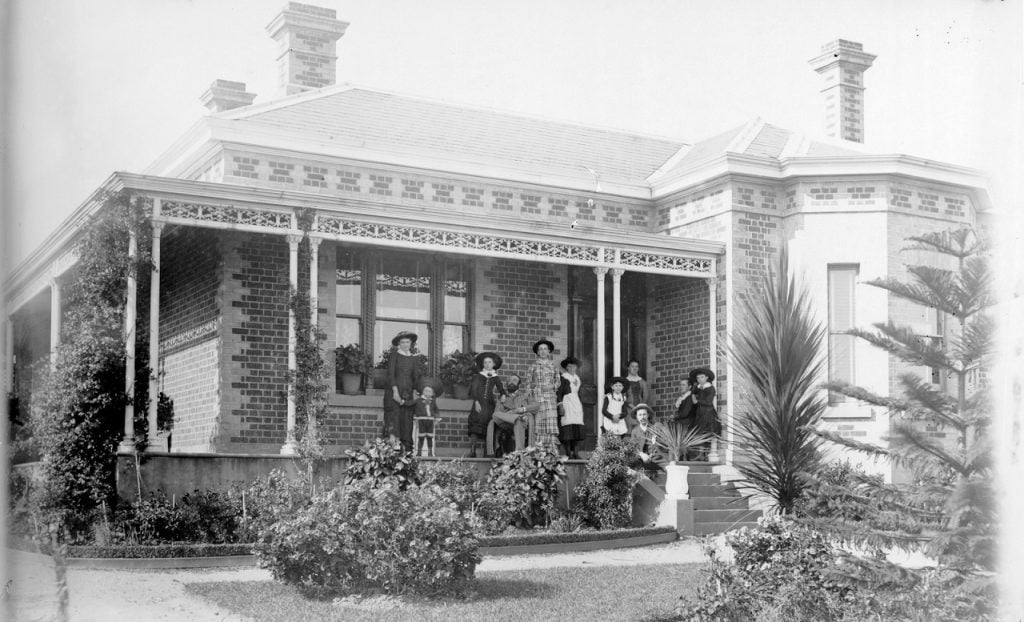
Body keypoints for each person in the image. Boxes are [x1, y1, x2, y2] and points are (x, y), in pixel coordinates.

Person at [384, 330, 422, 451]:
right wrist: (395, 391)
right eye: (402, 342)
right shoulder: (394, 356)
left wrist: (415, 392)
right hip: (394, 393)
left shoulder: (414, 359)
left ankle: (406, 452)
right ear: (399, 344)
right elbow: (391, 374)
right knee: (394, 421)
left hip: (408, 395)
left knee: (407, 422)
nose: (405, 344)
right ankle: (392, 451)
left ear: (411, 343)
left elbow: (416, 377)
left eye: (407, 342)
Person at [467, 351, 506, 457]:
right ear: (483, 365)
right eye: (485, 362)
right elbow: (473, 390)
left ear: (493, 364)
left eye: (489, 362)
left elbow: (501, 389)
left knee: (488, 426)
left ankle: (486, 451)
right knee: (475, 425)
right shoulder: (478, 376)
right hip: (479, 403)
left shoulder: (495, 377)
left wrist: (503, 395)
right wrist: (476, 402)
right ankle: (472, 450)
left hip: (489, 404)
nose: (487, 364)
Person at [526, 339, 561, 454]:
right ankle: (539, 450)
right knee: (540, 424)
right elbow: (528, 382)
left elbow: (558, 381)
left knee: (550, 422)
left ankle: (551, 450)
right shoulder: (533, 366)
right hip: (538, 397)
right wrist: (533, 391)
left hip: (550, 398)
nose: (543, 351)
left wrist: (551, 387)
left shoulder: (553, 366)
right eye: (540, 349)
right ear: (537, 352)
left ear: (549, 351)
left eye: (545, 349)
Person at [493, 373, 538, 454]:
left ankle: (519, 452)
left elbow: (536, 406)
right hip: (507, 423)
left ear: (519, 384)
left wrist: (522, 409)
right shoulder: (503, 397)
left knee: (519, 422)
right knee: (495, 415)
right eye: (509, 380)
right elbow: (497, 413)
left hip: (522, 422)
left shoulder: (525, 396)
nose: (511, 382)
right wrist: (513, 413)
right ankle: (517, 417)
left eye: (514, 380)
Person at [556, 356, 585, 459]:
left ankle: (576, 452)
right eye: (570, 366)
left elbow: (578, 391)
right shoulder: (563, 377)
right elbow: (559, 393)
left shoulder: (577, 378)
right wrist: (560, 405)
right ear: (567, 367)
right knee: (568, 427)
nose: (572, 368)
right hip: (567, 402)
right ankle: (569, 453)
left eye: (574, 366)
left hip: (576, 402)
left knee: (576, 427)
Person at [689, 367, 719, 460]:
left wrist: (697, 400)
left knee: (707, 433)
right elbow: (693, 393)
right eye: (698, 378)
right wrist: (693, 394)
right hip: (700, 413)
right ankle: (700, 454)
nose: (700, 380)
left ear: (706, 378)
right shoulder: (698, 388)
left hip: (708, 413)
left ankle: (706, 454)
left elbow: (708, 402)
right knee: (699, 433)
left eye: (702, 377)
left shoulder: (710, 388)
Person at [412, 382, 442, 457]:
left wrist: (436, 417)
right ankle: (419, 452)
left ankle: (430, 452)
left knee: (430, 437)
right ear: (422, 392)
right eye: (426, 391)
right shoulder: (419, 400)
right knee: (421, 437)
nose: (427, 393)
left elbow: (436, 410)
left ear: (432, 393)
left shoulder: (433, 402)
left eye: (429, 391)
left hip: (430, 421)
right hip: (422, 420)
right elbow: (412, 406)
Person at [628, 403, 660, 471]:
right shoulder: (635, 431)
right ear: (636, 417)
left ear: (648, 415)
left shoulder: (655, 428)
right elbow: (633, 448)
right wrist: (642, 454)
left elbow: (659, 445)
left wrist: (651, 456)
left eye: (644, 414)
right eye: (639, 415)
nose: (642, 417)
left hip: (654, 459)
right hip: (640, 460)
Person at [623, 359, 651, 428]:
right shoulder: (624, 381)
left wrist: (640, 407)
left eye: (636, 366)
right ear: (628, 368)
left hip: (641, 409)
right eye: (632, 366)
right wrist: (631, 406)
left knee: (640, 427)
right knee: (629, 428)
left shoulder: (642, 381)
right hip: (628, 409)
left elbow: (646, 396)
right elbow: (623, 396)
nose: (635, 368)